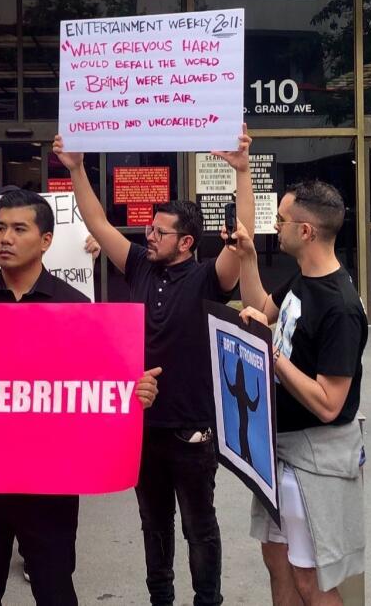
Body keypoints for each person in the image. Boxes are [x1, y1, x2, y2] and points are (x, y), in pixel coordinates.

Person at [0, 188, 161, 605]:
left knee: (55, 591)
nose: (5, 238)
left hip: (49, 489)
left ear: (45, 240)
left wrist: (134, 393)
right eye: (0, 228)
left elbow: (96, 389)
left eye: (19, 229)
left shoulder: (74, 307)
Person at [53, 127, 253, 606]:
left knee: (199, 527)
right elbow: (98, 222)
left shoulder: (209, 277)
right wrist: (78, 169)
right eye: (150, 228)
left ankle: (208, 599)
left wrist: (242, 173)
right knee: (153, 524)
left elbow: (241, 242)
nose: (148, 235)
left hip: (193, 428)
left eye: (159, 231)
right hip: (142, 425)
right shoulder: (141, 265)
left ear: (185, 241)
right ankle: (159, 597)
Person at [230, 180, 367, 605]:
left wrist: (273, 359)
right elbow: (261, 310)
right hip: (278, 450)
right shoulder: (302, 279)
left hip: (316, 457)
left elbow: (330, 403)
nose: (276, 227)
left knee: (312, 579)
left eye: (281, 220)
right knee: (278, 564)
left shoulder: (340, 307)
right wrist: (248, 258)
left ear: (305, 231)